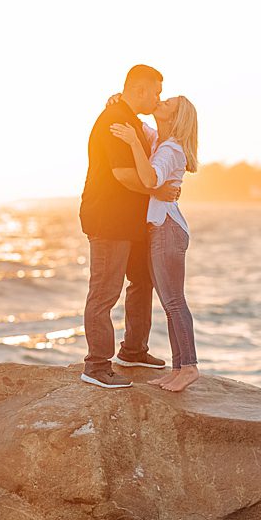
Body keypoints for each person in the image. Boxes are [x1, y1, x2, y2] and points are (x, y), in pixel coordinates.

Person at [78, 65, 181, 389]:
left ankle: (134, 350)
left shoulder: (132, 120)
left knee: (142, 280)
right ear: (139, 91)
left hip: (131, 221)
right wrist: (157, 190)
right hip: (108, 219)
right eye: (155, 92)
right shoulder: (115, 121)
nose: (158, 99)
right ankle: (96, 366)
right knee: (105, 291)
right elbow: (123, 174)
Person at [109, 94, 200, 391]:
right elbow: (139, 125)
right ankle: (179, 368)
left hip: (168, 230)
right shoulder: (159, 140)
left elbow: (149, 180)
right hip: (159, 229)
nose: (159, 103)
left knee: (175, 302)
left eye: (167, 104)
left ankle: (188, 367)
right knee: (169, 303)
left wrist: (134, 144)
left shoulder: (171, 149)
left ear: (173, 118)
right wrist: (117, 102)